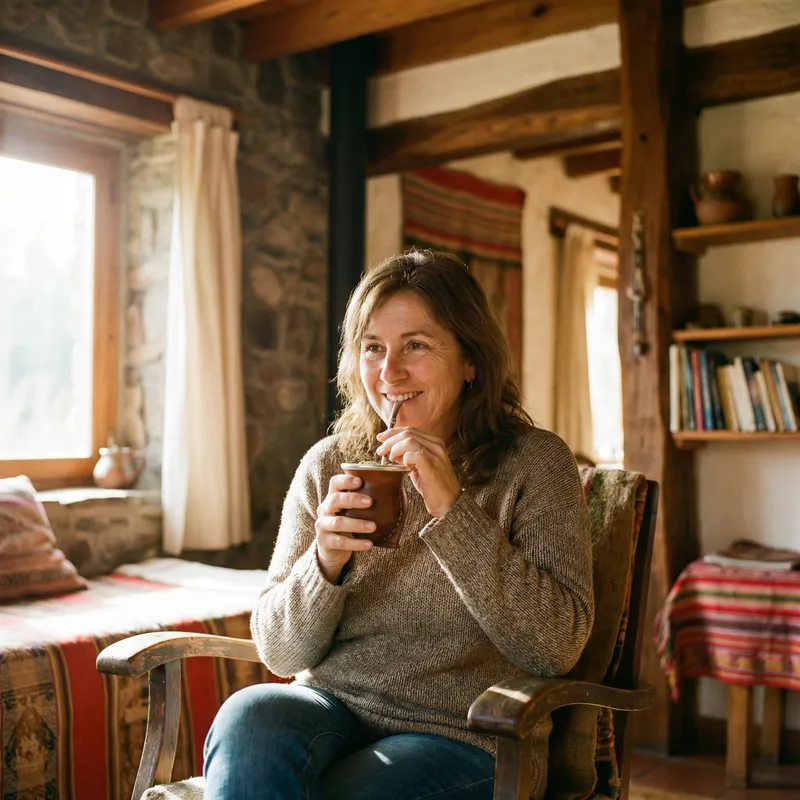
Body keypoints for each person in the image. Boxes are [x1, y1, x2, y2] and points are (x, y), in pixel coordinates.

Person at [203, 249, 594, 800]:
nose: (389, 373)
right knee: (251, 714)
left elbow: (555, 647)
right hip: (333, 709)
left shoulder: (534, 464)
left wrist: (451, 510)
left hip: (466, 733)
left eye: (416, 345)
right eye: (373, 349)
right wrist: (325, 563)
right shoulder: (329, 463)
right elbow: (280, 652)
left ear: (470, 361)